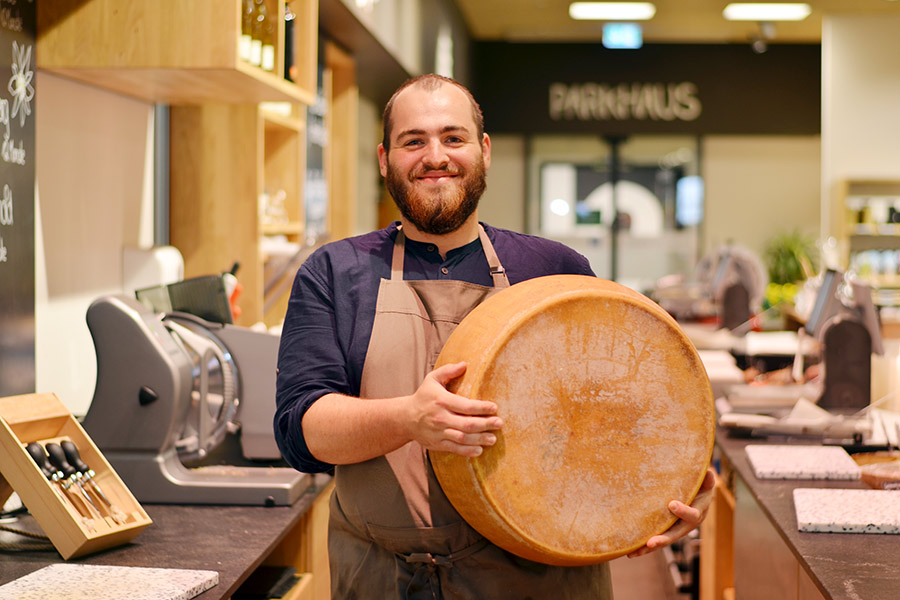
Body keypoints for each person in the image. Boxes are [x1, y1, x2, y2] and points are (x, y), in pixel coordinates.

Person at [274, 73, 715, 599]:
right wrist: (409, 418)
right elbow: (301, 431)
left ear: (484, 151)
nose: (435, 156)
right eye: (413, 141)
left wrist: (676, 484)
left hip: (541, 581)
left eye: (453, 138)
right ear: (384, 158)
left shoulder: (556, 270)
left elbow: (632, 406)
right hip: (384, 580)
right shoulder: (335, 271)